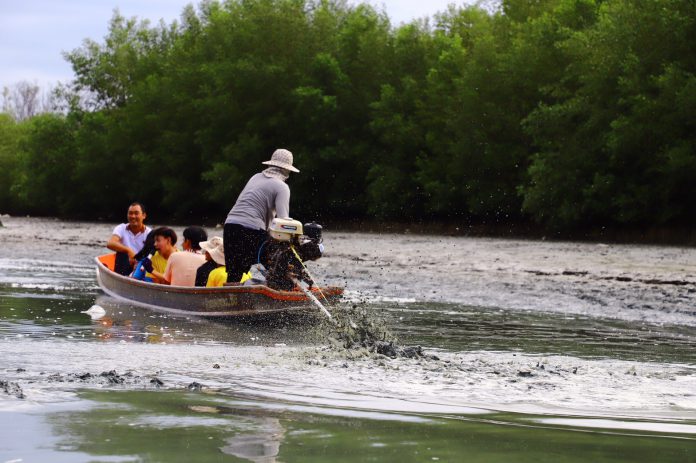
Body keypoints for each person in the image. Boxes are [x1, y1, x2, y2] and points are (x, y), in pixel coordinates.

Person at [223, 148, 299, 283]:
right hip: (251, 228)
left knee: (234, 272)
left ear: (271, 164)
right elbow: (283, 222)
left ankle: (229, 298)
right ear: (287, 170)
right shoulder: (282, 186)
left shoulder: (255, 177)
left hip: (230, 225)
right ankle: (284, 292)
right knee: (276, 267)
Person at [107, 202, 152, 275]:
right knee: (122, 253)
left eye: (136, 213)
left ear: (144, 215)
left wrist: (137, 260)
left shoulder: (149, 233)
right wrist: (128, 250)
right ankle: (122, 278)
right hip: (124, 266)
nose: (133, 216)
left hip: (141, 266)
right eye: (130, 213)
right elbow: (110, 243)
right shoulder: (121, 228)